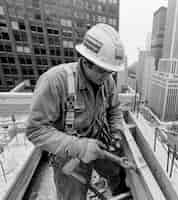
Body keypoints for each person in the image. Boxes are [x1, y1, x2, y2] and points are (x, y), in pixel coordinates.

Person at [26, 23, 128, 200]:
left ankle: (120, 191)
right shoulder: (55, 81)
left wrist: (116, 132)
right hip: (69, 153)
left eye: (110, 72)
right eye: (103, 71)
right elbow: (35, 130)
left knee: (117, 174)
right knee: (73, 197)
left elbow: (114, 109)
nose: (107, 77)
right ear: (87, 61)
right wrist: (79, 148)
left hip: (99, 144)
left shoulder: (108, 81)